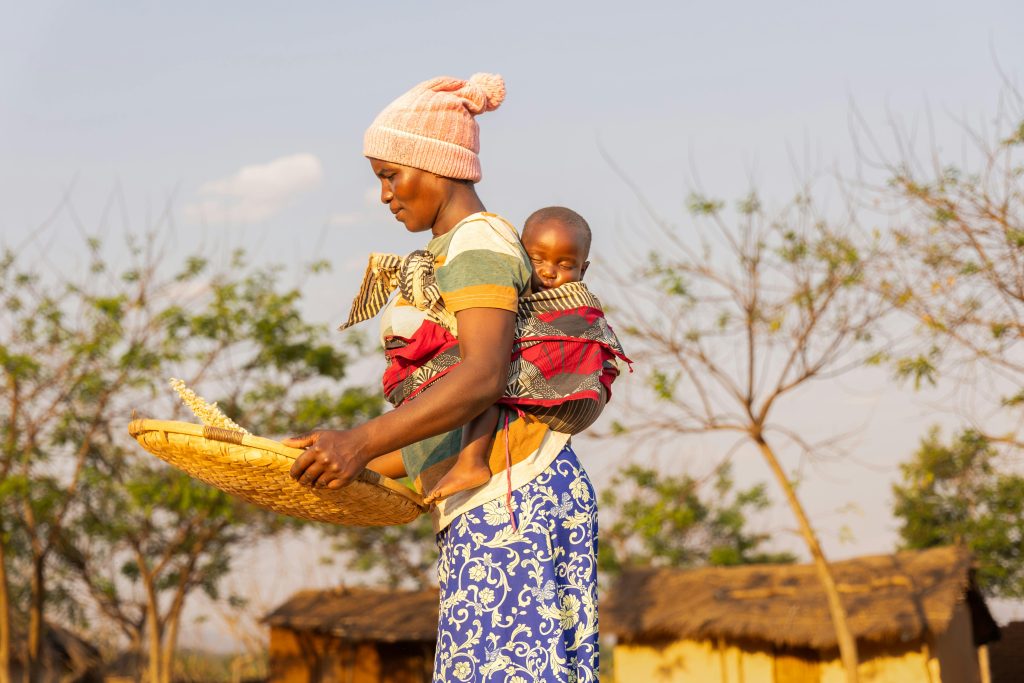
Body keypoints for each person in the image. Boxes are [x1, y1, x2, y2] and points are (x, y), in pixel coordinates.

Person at [286, 73, 602, 681]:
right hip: (496, 501)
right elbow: (436, 428)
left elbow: (482, 378)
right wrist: (303, 462)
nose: (385, 196)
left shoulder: (476, 245)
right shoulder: (452, 252)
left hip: (514, 501)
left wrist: (358, 443)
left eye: (389, 175)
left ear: (436, 167)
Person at [423, 206, 593, 504]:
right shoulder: (515, 290)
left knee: (486, 370)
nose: (548, 271)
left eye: (565, 264)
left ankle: (470, 460)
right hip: (547, 449)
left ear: (583, 270)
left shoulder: (573, 303)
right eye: (536, 259)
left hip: (533, 460)